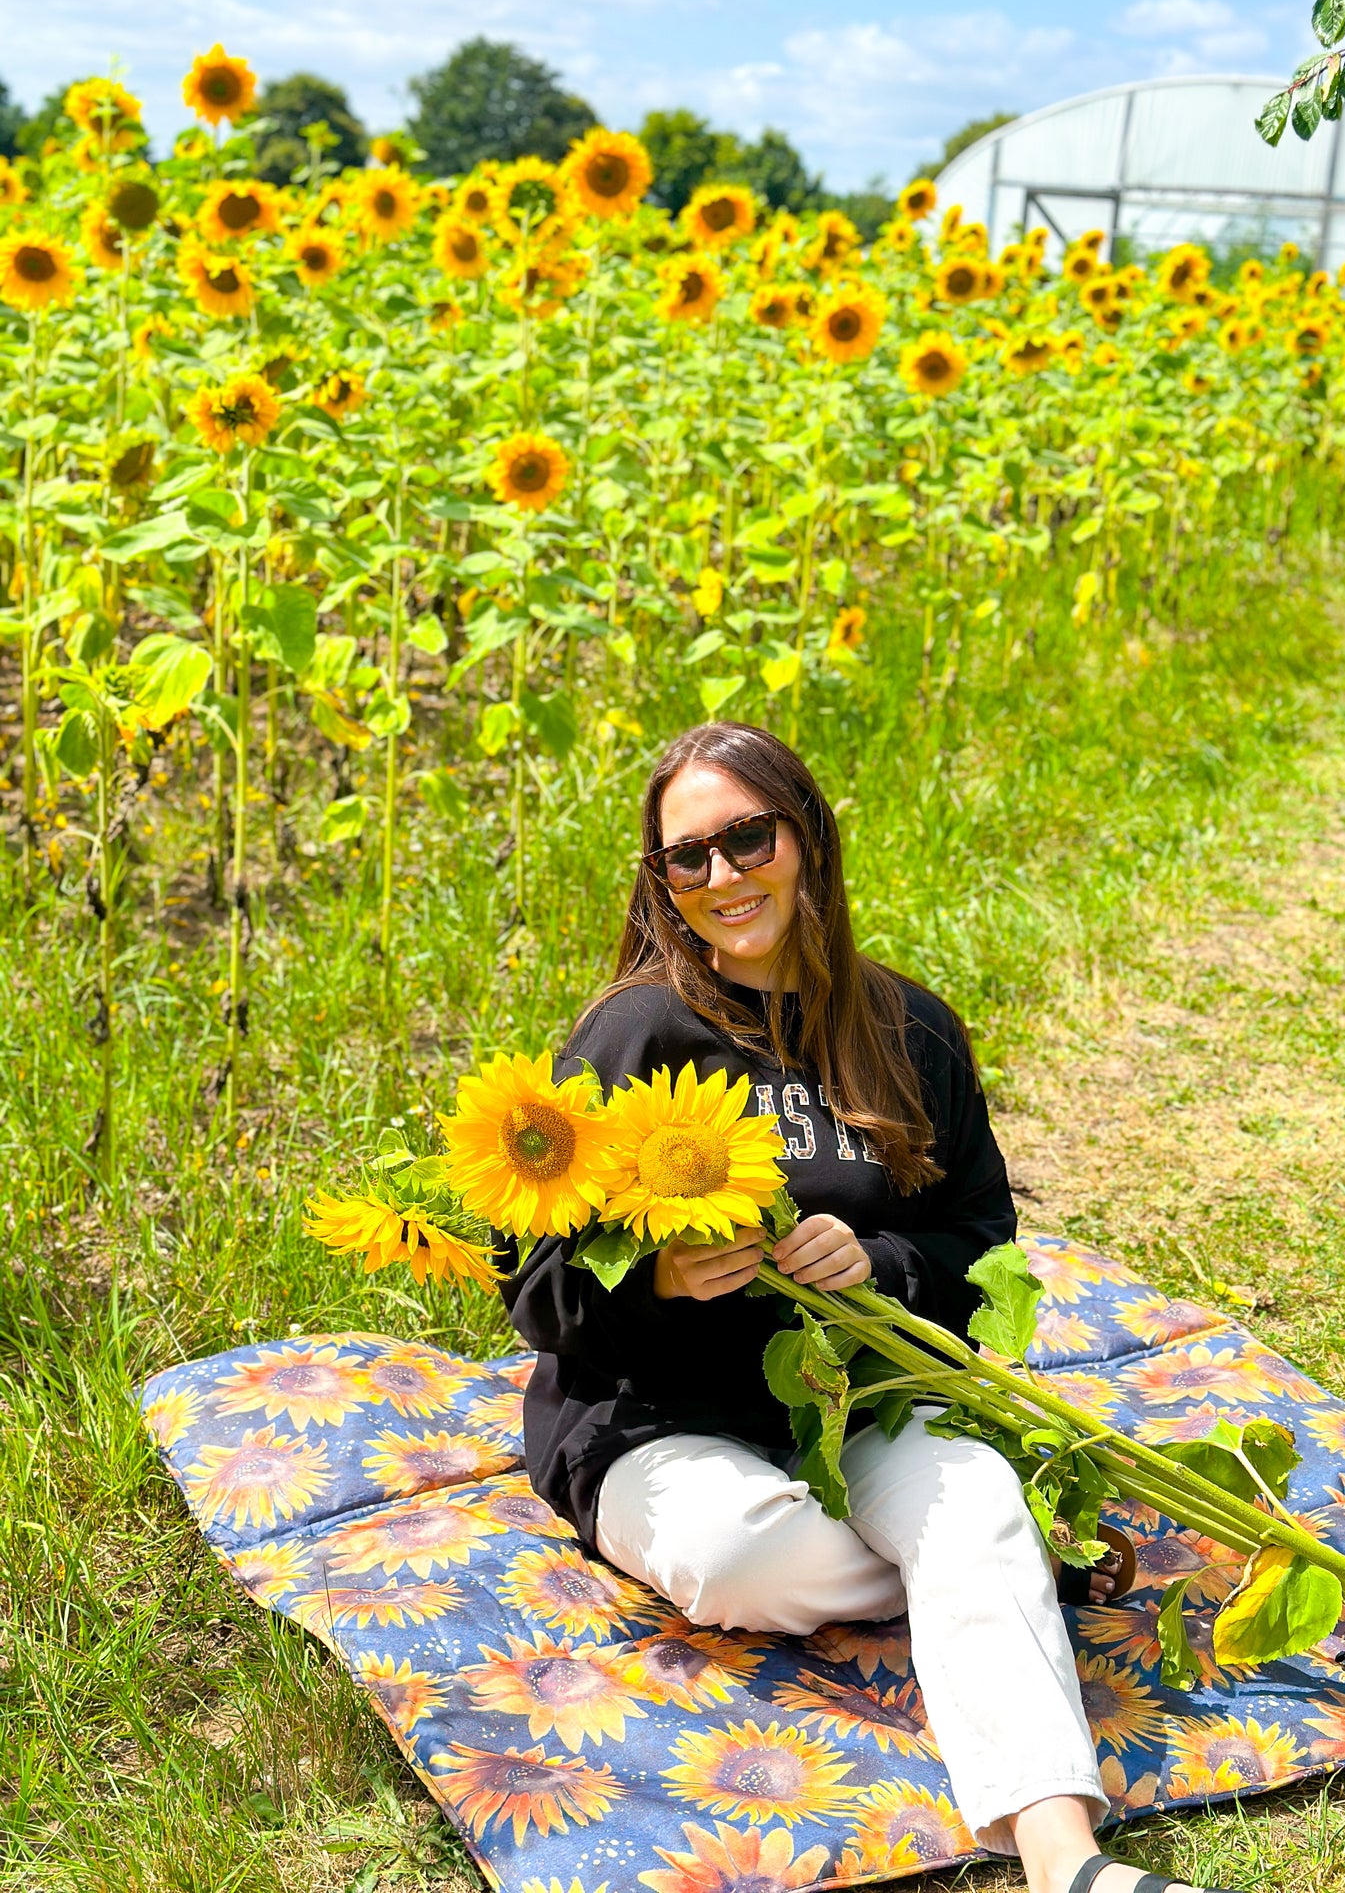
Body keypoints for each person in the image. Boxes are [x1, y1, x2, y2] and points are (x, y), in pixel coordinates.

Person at [502, 722, 1234, 1893]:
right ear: (659, 884)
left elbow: (980, 1243)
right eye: (684, 859)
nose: (722, 877)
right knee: (745, 1556)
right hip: (653, 1415)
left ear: (805, 839)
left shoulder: (906, 1029)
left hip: (861, 1398)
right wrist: (656, 1279)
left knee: (976, 1491)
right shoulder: (633, 1033)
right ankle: (993, 1573)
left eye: (747, 837)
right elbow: (529, 1284)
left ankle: (1068, 1862)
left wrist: (884, 1263)